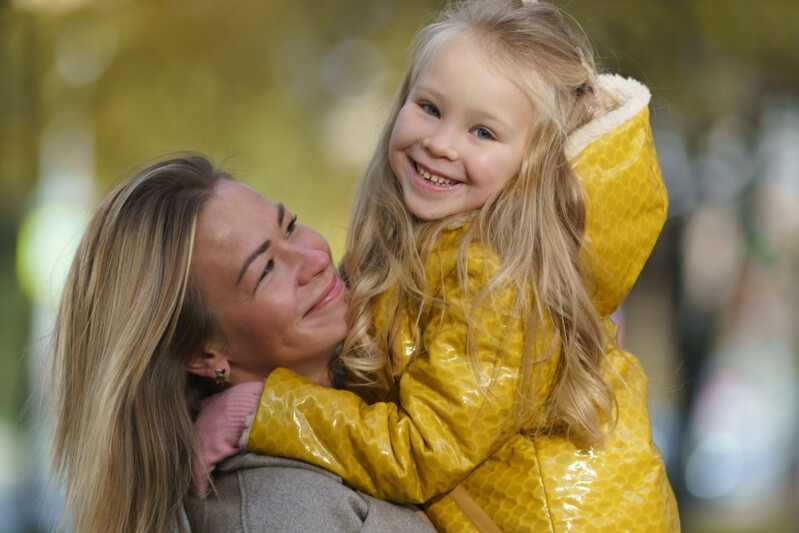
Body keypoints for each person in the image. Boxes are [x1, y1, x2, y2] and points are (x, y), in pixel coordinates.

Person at [200, 0, 680, 531]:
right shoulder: (428, 247)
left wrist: (262, 412)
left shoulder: (498, 281)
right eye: (429, 107)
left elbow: (422, 452)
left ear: (535, 166)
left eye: (483, 133)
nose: (440, 143)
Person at [46, 155, 434, 533]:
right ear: (202, 354)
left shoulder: (388, 368)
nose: (314, 258)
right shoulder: (276, 515)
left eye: (289, 227)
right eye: (266, 269)